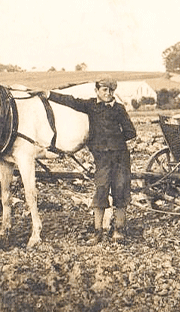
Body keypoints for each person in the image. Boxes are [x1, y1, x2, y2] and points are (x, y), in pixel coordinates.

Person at [47, 76, 136, 243]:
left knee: (120, 190)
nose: (108, 93)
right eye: (105, 90)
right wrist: (48, 94)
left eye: (111, 90)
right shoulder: (90, 106)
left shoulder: (119, 109)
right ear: (97, 91)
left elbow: (131, 132)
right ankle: (97, 232)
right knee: (101, 190)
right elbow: (70, 101)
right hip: (101, 157)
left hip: (120, 156)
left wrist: (114, 140)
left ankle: (119, 230)